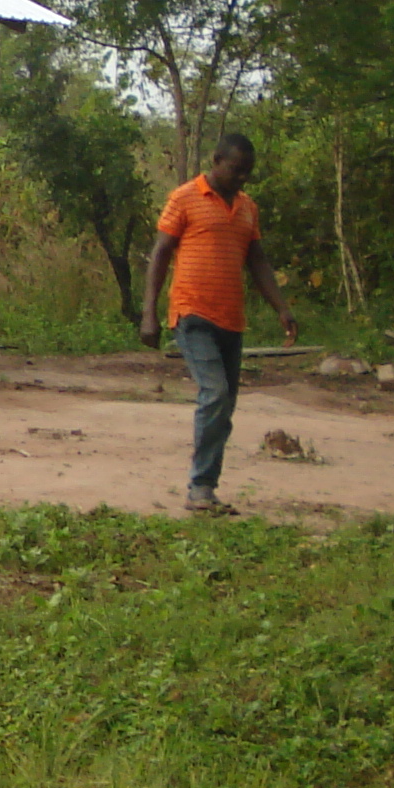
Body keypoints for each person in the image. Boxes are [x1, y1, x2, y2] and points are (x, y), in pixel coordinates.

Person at [139, 133, 297, 515]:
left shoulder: (247, 208)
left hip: (232, 318)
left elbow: (256, 260)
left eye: (247, 172)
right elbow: (161, 252)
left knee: (225, 406)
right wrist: (149, 312)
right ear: (216, 160)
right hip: (192, 313)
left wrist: (282, 307)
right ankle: (199, 487)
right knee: (215, 393)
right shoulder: (185, 198)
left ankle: (207, 485)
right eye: (235, 169)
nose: (241, 177)